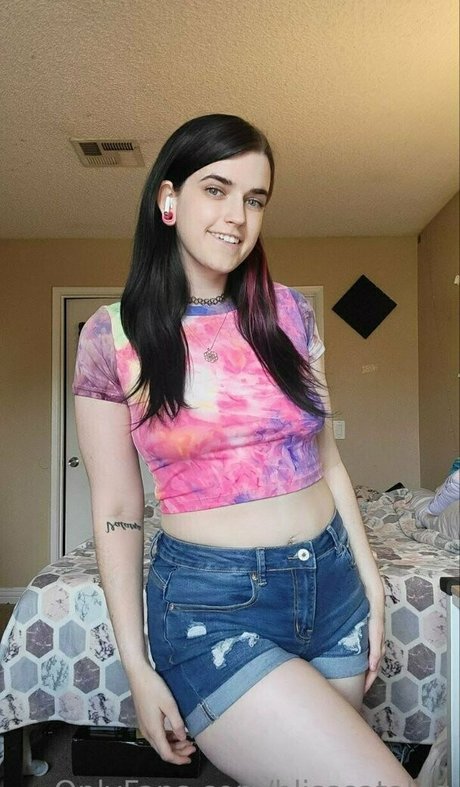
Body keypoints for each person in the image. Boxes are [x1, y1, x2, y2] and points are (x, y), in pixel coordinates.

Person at [73, 114, 414, 787]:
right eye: (216, 189)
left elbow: (327, 461)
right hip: (213, 606)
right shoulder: (111, 336)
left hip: (333, 590)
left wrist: (371, 582)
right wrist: (137, 666)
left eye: (255, 199)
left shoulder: (291, 313)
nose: (238, 215)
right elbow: (116, 507)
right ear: (169, 199)